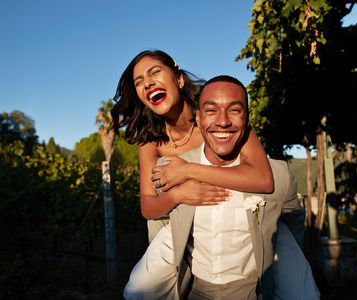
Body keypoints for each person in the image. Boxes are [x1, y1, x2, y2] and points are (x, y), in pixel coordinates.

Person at [124, 76, 320, 299]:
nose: (223, 121)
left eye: (234, 110)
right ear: (197, 118)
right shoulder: (170, 170)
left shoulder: (278, 176)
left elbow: (292, 224)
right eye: (211, 111)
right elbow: (159, 224)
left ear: (247, 118)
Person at [111, 50, 274, 243]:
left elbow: (263, 179)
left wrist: (187, 171)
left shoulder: (219, 118)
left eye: (155, 72)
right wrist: (177, 195)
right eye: (139, 82)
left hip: (232, 225)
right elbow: (147, 207)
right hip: (176, 235)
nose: (147, 83)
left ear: (179, 79)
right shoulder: (149, 141)